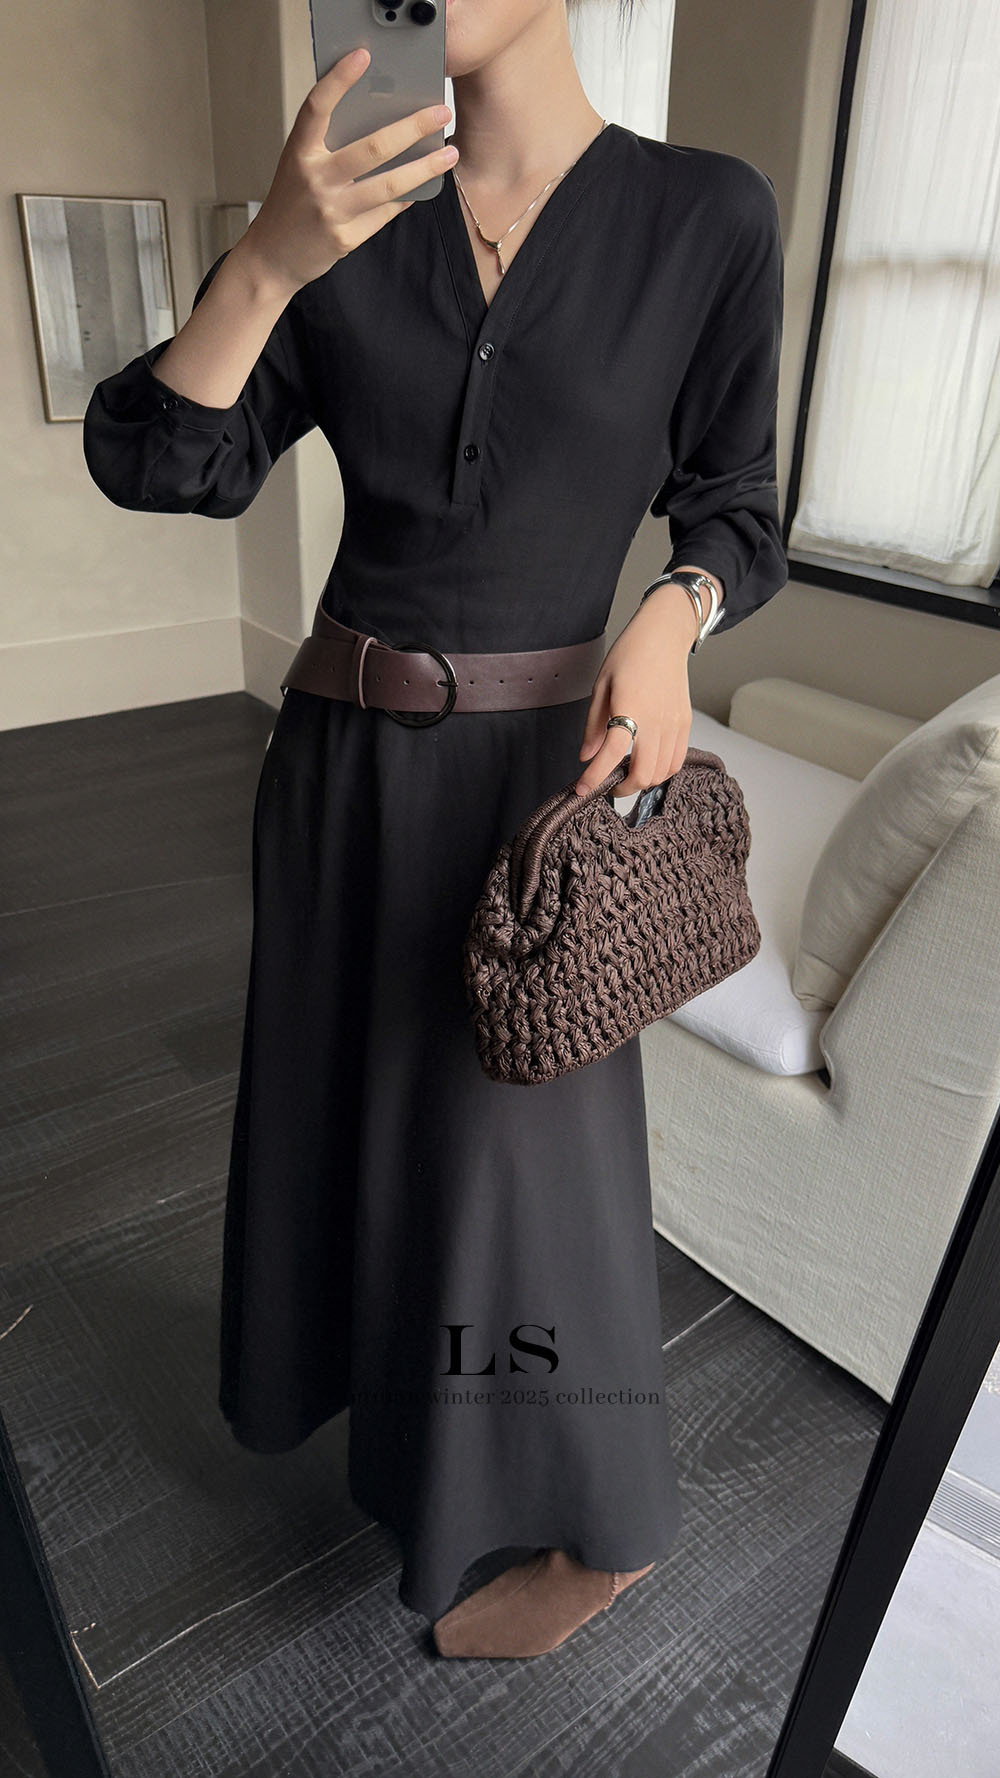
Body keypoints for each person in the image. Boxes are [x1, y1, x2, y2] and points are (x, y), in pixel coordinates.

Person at [82, 0, 786, 1660]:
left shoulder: (704, 215)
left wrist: (673, 614)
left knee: (525, 1173)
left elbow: (740, 504)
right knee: (361, 1130)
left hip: (540, 791)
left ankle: (601, 1524)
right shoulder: (343, 218)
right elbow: (162, 461)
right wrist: (268, 258)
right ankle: (417, 1456)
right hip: (337, 767)